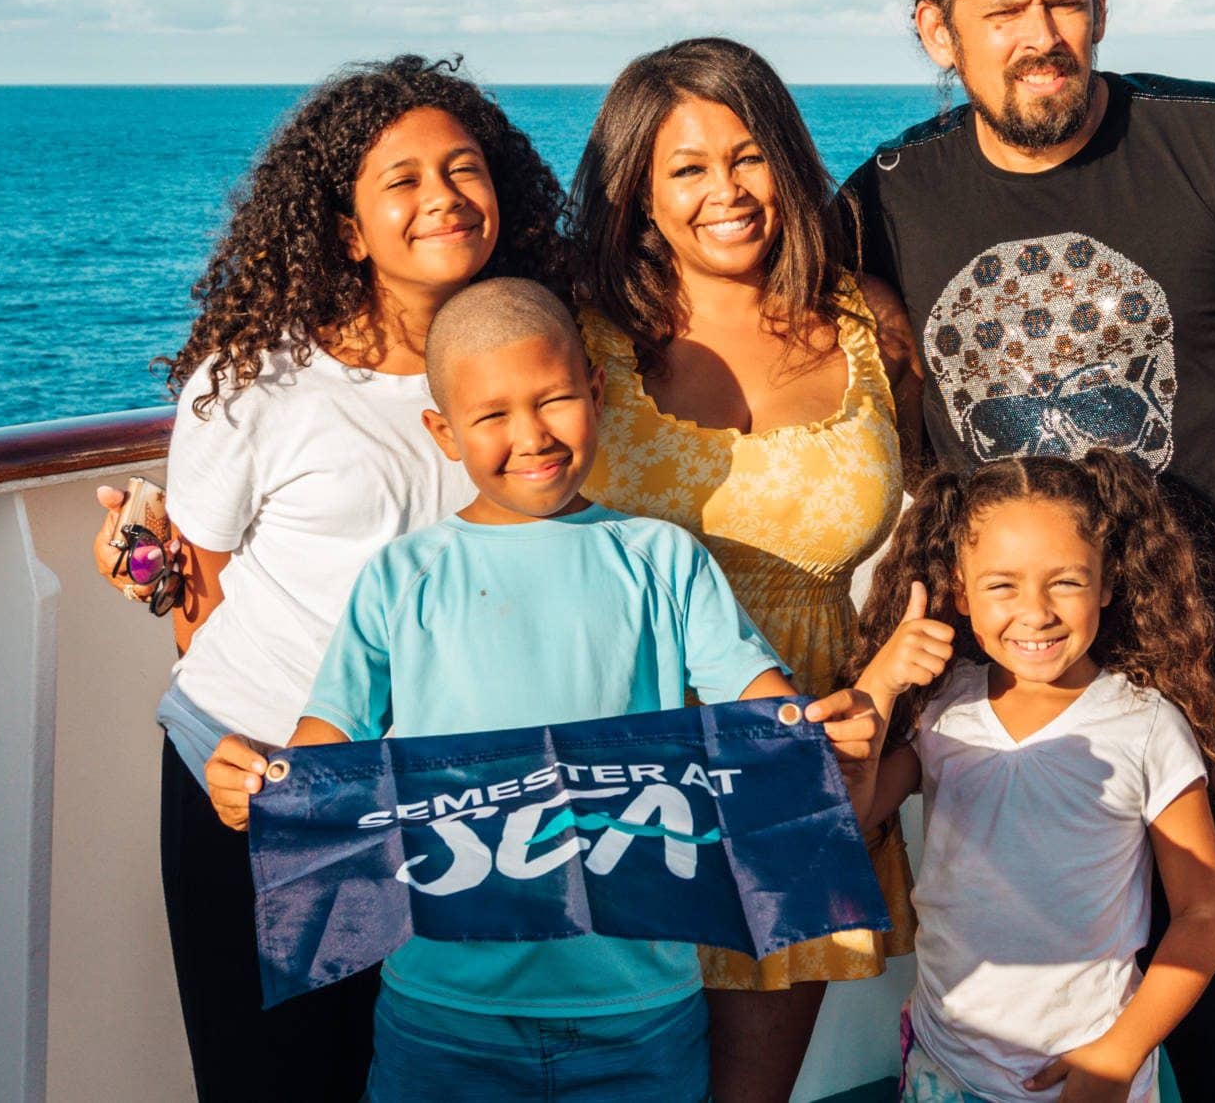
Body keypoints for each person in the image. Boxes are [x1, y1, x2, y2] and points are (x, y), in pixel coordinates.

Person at [842, 0, 1215, 1103]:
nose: (1042, 37)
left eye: (1066, 2)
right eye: (1003, 12)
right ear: (935, 28)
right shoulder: (885, 199)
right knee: (1028, 1053)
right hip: (1011, 715)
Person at [256, 278, 884, 1102]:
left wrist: (818, 724)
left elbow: (760, 700)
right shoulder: (399, 576)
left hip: (643, 1010)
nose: (532, 435)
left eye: (555, 398)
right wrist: (259, 782)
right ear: (443, 431)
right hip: (443, 1015)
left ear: (597, 389)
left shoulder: (665, 557)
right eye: (492, 416)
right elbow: (326, 739)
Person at [88, 55, 568, 1101]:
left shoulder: (540, 361)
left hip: (457, 797)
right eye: (402, 179)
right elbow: (201, 594)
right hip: (262, 782)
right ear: (346, 226)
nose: (441, 196)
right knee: (276, 1078)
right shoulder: (256, 377)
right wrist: (145, 556)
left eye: (464, 169)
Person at [569, 36, 918, 1103]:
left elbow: (952, 521)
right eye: (686, 167)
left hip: (806, 758)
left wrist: (893, 729)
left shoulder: (865, 320)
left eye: (748, 155)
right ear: (634, 189)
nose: (725, 191)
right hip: (623, 764)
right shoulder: (581, 331)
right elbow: (436, 427)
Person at [848, 448, 1215, 1103]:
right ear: (959, 587)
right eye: (1002, 584)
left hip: (1090, 1081)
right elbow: (848, 814)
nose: (1035, 612)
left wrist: (1120, 1054)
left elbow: (1203, 911)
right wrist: (880, 683)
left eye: (1064, 580)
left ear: (1108, 583)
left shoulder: (1145, 726)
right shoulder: (942, 709)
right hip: (944, 1069)